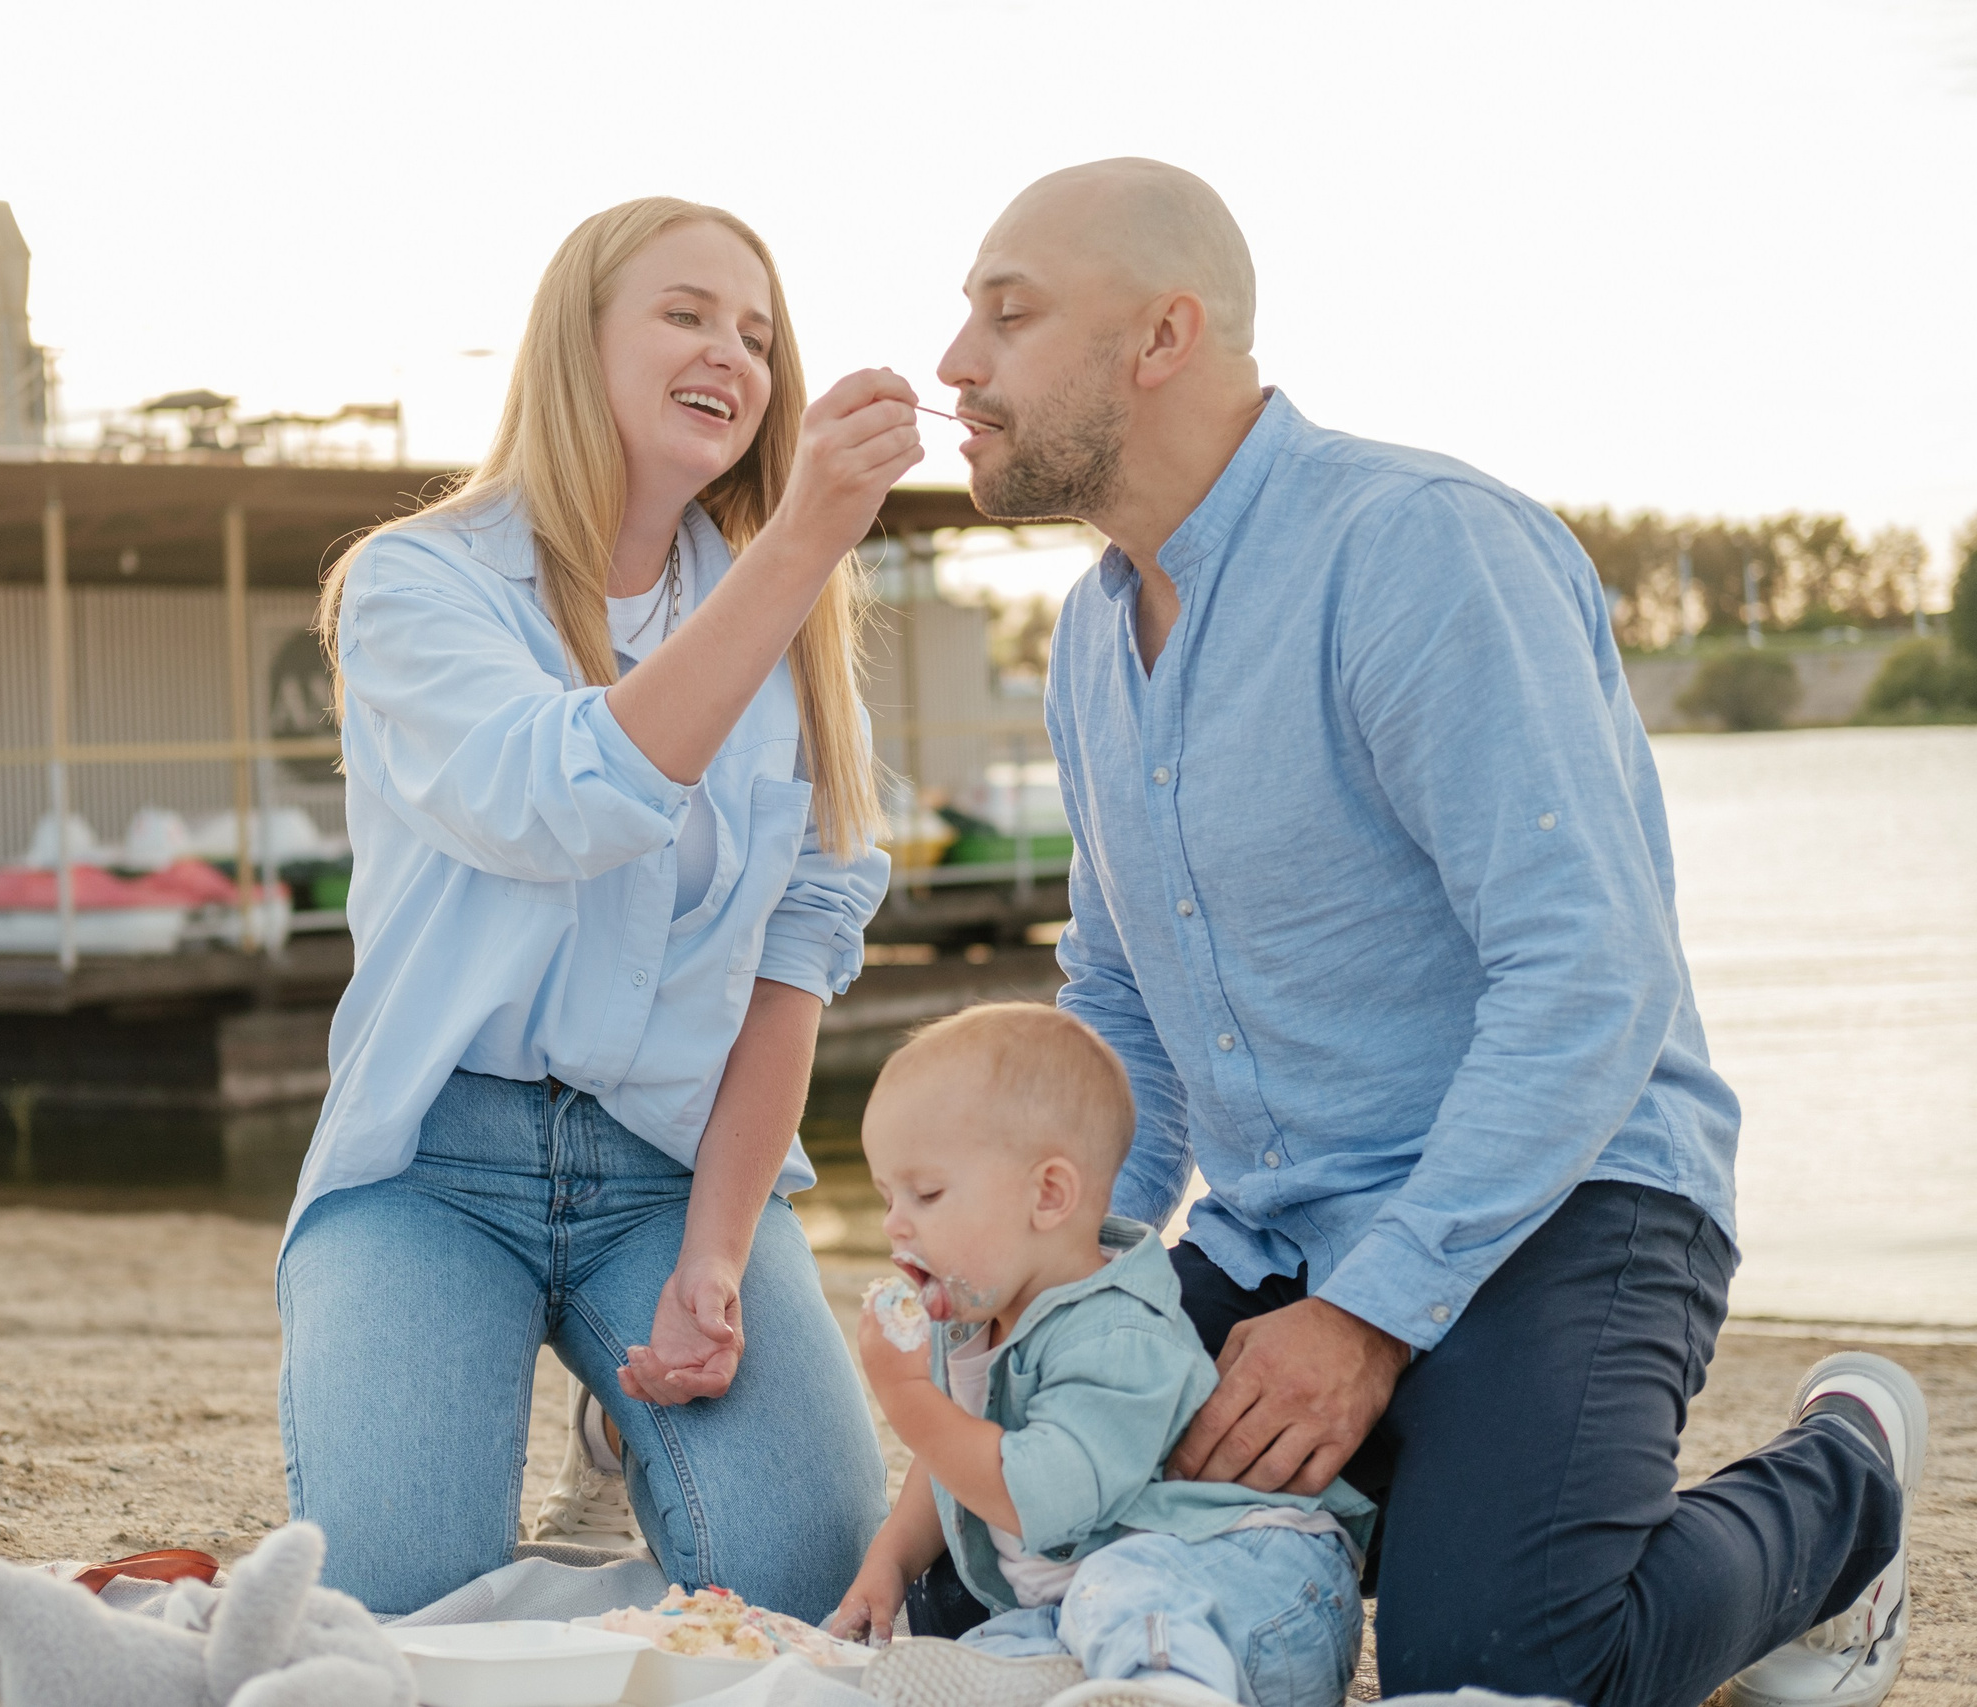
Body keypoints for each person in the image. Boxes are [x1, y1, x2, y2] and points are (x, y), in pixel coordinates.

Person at [929, 158, 1928, 1707]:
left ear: (1163, 336)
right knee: (973, 1579)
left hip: (1571, 1195)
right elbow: (1120, 1005)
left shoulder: (1420, 550)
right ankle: (1443, 1493)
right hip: (1277, 1229)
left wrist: (1369, 1315)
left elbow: (1587, 973)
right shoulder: (1087, 637)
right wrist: (1053, 1286)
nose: (955, 363)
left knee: (1498, 1664)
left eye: (1009, 314)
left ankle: (1847, 1476)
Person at [276, 196, 923, 1620]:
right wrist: (805, 537)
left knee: (808, 1590)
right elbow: (561, 799)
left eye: (758, 335)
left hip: (671, 1167)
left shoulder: (795, 631)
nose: (732, 354)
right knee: (397, 1607)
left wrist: (716, 1252)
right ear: (578, 342)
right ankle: (594, 1418)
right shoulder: (420, 581)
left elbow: (794, 966)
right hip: (432, 1158)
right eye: (685, 314)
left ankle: (623, 1425)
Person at [830, 1003, 1373, 1707]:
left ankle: (1169, 1693)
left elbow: (1036, 1496)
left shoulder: (1117, 1329)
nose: (895, 1225)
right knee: (981, 1654)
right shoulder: (975, 1320)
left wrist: (907, 1397)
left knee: (1120, 1585)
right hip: (1090, 1609)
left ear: (1049, 1194)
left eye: (926, 1193)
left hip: (1251, 1585)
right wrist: (890, 1563)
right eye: (887, 1197)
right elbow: (951, 1464)